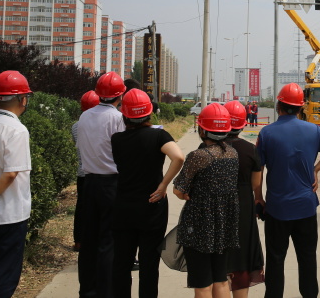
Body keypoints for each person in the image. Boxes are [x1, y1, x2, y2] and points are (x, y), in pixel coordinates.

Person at [254, 83, 320, 298]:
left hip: (277, 208)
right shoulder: (313, 129)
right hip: (306, 207)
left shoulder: (267, 133)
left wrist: (258, 198)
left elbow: (258, 170)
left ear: (278, 106)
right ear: (301, 107)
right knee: (307, 258)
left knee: (275, 259)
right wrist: (315, 169)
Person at [110, 89, 184, 298]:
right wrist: (163, 185)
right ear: (149, 112)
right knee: (149, 263)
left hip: (124, 206)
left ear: (124, 114)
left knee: (122, 262)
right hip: (152, 206)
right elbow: (178, 157)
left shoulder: (117, 139)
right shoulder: (159, 136)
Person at [173, 103, 240, 298]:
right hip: (224, 224)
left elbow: (178, 189)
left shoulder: (198, 156)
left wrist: (187, 193)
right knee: (220, 279)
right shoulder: (233, 153)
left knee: (202, 283)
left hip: (200, 225)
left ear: (202, 130)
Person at [77, 71, 126, 298]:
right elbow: (122, 150)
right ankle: (106, 291)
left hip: (89, 181)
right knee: (108, 241)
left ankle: (87, 289)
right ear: (120, 95)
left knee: (89, 239)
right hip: (111, 183)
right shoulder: (117, 118)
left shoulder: (85, 116)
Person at [0, 71, 32, 298]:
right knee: (3, 279)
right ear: (22, 99)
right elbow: (11, 173)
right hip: (8, 215)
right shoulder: (16, 129)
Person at [223, 100, 264, 296]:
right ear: (243, 123)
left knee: (219, 260)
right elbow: (256, 183)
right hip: (243, 207)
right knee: (242, 258)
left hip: (217, 207)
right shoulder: (250, 150)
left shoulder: (208, 149)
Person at [72, 90, 100, 252]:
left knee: (81, 207)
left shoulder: (76, 126)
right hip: (97, 173)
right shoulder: (99, 124)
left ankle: (79, 241)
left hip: (82, 173)